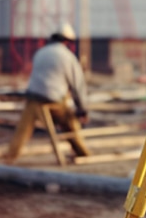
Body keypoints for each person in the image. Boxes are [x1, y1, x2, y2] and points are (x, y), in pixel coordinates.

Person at [15, 22, 90, 158]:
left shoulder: (40, 53)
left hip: (33, 97)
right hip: (53, 100)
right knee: (70, 123)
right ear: (67, 41)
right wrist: (82, 109)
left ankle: (11, 156)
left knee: (22, 131)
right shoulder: (67, 57)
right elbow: (77, 85)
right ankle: (82, 153)